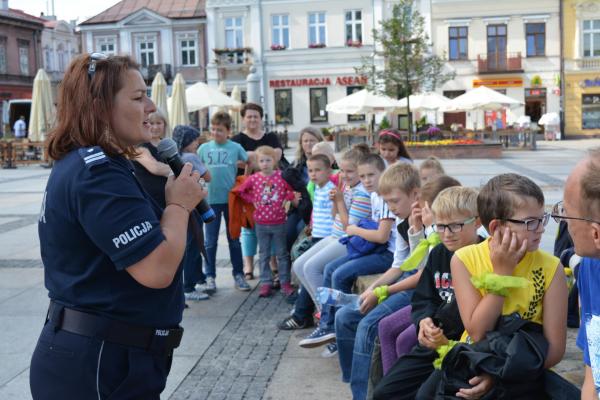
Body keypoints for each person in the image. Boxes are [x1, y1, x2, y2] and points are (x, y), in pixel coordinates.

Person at [29, 54, 206, 399]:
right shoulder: (98, 173)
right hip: (99, 363)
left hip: (106, 355)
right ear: (99, 106)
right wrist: (179, 204)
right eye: (138, 97)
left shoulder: (98, 164)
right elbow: (156, 268)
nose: (151, 107)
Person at [423, 173, 567, 399]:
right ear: (497, 227)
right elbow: (478, 331)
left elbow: (555, 349)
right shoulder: (464, 259)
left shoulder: (552, 268)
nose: (540, 229)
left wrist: (499, 375)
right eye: (531, 222)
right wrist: (502, 275)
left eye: (542, 218)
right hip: (474, 359)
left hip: (526, 367)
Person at [373, 187, 483, 400]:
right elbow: (424, 297)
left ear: (477, 222)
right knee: (385, 392)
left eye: (456, 226)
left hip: (463, 348)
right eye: (440, 226)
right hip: (431, 343)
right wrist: (423, 321)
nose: (447, 234)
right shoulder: (439, 253)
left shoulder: (485, 258)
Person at [299, 154, 395, 349]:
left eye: (371, 175)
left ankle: (338, 328)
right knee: (330, 269)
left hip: (387, 254)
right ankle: (329, 324)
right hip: (376, 249)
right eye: (364, 176)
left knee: (340, 274)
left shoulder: (383, 197)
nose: (367, 180)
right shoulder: (374, 195)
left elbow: (382, 236)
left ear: (382, 174)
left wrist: (354, 230)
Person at [554, 148, 600, 398]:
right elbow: (594, 378)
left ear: (596, 234)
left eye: (567, 213)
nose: (562, 219)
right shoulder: (591, 266)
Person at [232, 103, 286, 282]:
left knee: (270, 225)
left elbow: (277, 155)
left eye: (256, 116)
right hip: (248, 188)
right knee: (248, 228)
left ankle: (273, 265)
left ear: (261, 118)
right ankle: (248, 266)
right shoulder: (237, 138)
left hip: (270, 190)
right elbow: (236, 160)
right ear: (243, 118)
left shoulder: (270, 136)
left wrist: (249, 157)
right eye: (249, 116)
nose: (252, 119)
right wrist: (262, 157)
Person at [197, 112, 250, 293]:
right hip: (210, 201)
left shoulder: (235, 147)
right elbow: (196, 166)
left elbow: (248, 161)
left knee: (234, 238)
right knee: (210, 241)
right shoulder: (204, 148)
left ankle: (239, 274)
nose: (215, 132)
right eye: (213, 129)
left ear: (228, 131)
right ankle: (210, 275)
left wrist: (245, 180)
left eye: (219, 130)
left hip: (231, 200)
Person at [237, 146, 298, 297]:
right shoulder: (255, 178)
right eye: (262, 161)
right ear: (257, 163)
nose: (265, 163)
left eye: (268, 160)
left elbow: (292, 190)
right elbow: (240, 191)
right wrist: (253, 200)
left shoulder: (281, 176)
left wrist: (287, 198)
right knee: (263, 254)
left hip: (279, 222)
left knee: (282, 254)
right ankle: (266, 283)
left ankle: (285, 282)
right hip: (261, 223)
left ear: (274, 161)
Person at [173, 125, 211, 302]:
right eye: (194, 139)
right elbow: (207, 176)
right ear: (187, 142)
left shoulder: (177, 157)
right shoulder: (190, 157)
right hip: (196, 205)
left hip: (185, 206)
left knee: (192, 243)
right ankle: (189, 285)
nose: (197, 142)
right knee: (194, 245)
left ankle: (197, 278)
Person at [286, 126, 324, 252]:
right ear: (301, 144)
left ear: (319, 142)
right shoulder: (295, 165)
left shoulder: (327, 161)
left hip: (317, 208)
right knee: (288, 231)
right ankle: (290, 263)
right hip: (298, 207)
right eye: (305, 141)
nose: (308, 144)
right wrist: (291, 198)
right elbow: (285, 187)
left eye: (312, 140)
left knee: (301, 230)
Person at [132, 108, 171, 208]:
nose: (155, 127)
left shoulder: (166, 144)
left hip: (169, 198)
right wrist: (181, 171)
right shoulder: (139, 145)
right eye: (151, 123)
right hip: (150, 201)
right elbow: (156, 168)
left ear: (164, 125)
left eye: (159, 123)